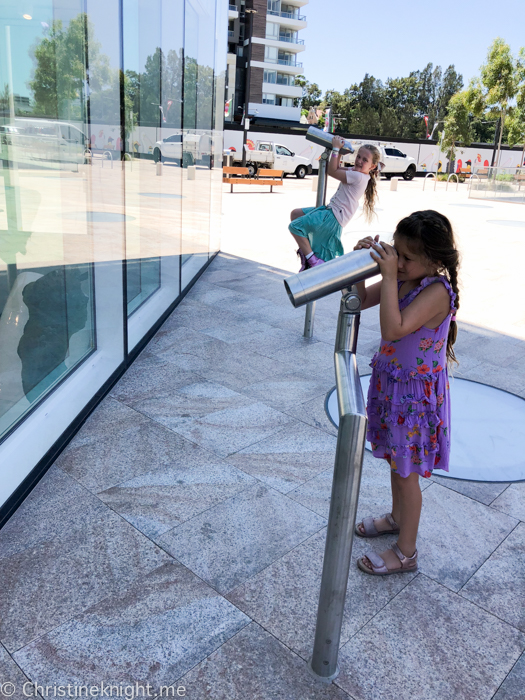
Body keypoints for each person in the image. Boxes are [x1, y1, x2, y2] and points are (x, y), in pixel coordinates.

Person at [353, 210, 460, 576]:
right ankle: (398, 518)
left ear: (434, 261)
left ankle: (407, 552)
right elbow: (360, 301)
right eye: (395, 251)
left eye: (406, 257)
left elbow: (392, 329)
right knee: (395, 462)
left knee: (406, 471)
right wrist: (360, 265)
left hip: (414, 400)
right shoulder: (406, 277)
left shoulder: (435, 292)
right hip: (394, 389)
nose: (397, 261)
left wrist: (387, 276)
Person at [289, 137, 383, 271]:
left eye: (364, 160)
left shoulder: (358, 177)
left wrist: (336, 149)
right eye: (358, 157)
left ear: (372, 166)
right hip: (330, 211)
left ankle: (313, 260)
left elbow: (332, 171)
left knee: (295, 226)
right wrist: (339, 153)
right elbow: (336, 167)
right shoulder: (356, 172)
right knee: (295, 214)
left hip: (333, 217)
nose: (359, 161)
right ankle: (307, 253)